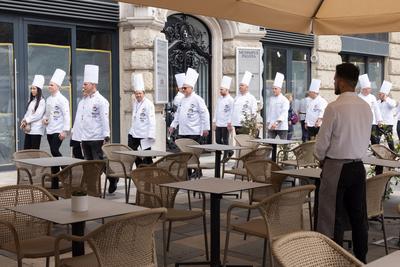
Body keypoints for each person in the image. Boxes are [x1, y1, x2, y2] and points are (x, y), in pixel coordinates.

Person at [315, 63, 372, 263]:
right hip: (358, 167)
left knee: (332, 218)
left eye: (334, 78)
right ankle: (361, 259)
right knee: (358, 217)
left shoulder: (334, 107)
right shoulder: (366, 107)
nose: (333, 82)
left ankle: (334, 260)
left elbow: (321, 145)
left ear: (340, 79)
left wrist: (321, 159)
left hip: (336, 167)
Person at [78, 65, 111, 191]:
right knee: (88, 165)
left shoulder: (101, 101)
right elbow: (82, 120)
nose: (83, 86)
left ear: (93, 84)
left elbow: (104, 119)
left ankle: (100, 186)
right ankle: (93, 188)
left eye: (85, 84)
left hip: (97, 137)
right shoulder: (84, 100)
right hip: (85, 137)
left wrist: (106, 136)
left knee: (97, 165)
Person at [169, 68, 210, 143]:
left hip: (194, 132)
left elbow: (204, 113)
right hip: (183, 132)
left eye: (185, 88)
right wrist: (173, 126)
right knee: (185, 153)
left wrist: (205, 128)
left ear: (191, 88)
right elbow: (178, 114)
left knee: (193, 152)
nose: (183, 90)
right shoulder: (182, 100)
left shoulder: (197, 99)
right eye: (182, 88)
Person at [43, 69, 70, 175]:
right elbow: (47, 114)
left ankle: (66, 168)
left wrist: (65, 131)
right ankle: (55, 178)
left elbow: (67, 115)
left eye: (51, 85)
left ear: (58, 87)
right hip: (49, 129)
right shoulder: (48, 99)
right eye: (49, 85)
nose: (49, 86)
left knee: (54, 150)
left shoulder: (62, 99)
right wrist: (44, 120)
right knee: (53, 153)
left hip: (58, 130)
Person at [128, 73, 156, 167]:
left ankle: (151, 171)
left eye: (140, 93)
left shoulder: (149, 104)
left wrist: (151, 135)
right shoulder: (135, 103)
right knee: (132, 153)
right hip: (134, 134)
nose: (138, 95)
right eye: (136, 93)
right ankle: (140, 168)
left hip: (144, 135)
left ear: (144, 93)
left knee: (147, 157)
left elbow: (152, 120)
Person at [21, 75, 46, 149]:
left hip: (36, 130)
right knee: (26, 150)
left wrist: (27, 120)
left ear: (39, 90)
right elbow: (28, 113)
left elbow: (38, 115)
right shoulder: (31, 100)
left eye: (34, 89)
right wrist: (24, 120)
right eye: (31, 88)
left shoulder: (42, 101)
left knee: (34, 152)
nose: (32, 90)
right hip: (28, 130)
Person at [358, 74, 383, 145]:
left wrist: (379, 120)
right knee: (362, 139)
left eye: (369, 89)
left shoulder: (372, 97)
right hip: (362, 123)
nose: (368, 91)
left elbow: (376, 109)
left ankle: (376, 154)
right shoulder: (358, 97)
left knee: (374, 139)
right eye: (367, 89)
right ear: (363, 89)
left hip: (373, 122)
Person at [213, 75, 234, 158]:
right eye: (220, 89)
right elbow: (216, 110)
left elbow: (232, 112)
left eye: (222, 89)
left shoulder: (230, 100)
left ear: (227, 90)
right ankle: (229, 151)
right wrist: (214, 120)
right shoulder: (219, 99)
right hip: (219, 123)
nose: (220, 91)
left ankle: (225, 156)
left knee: (225, 140)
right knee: (217, 140)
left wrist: (229, 122)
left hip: (226, 123)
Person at [266, 72, 290, 139]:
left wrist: (276, 123)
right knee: (270, 144)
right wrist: (268, 123)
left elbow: (284, 113)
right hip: (271, 125)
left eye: (275, 89)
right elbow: (270, 112)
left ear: (280, 89)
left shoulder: (284, 100)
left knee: (283, 145)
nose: (273, 90)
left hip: (282, 126)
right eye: (273, 88)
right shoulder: (271, 99)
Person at [377, 80, 396, 151]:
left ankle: (394, 153)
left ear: (385, 94)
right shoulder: (377, 102)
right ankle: (376, 153)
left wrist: (386, 98)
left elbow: (393, 105)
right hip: (379, 124)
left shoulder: (390, 101)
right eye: (379, 94)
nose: (379, 95)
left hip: (388, 124)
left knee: (390, 141)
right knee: (376, 139)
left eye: (380, 94)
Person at [70, 88, 87, 159]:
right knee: (76, 152)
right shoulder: (80, 102)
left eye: (85, 90)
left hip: (86, 133)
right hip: (77, 132)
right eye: (83, 91)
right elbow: (77, 118)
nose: (84, 92)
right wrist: (73, 130)